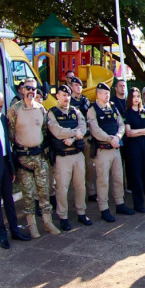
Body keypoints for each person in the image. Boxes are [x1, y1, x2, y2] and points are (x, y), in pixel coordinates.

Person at [6, 78, 60, 238]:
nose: (31, 91)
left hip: (39, 157)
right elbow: (10, 134)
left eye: (34, 89)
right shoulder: (15, 109)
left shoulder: (41, 109)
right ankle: (32, 226)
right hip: (24, 159)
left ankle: (48, 223)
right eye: (28, 88)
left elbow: (43, 130)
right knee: (28, 195)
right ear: (22, 90)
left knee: (44, 192)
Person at [0, 92, 32, 248]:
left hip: (5, 165)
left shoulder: (3, 119)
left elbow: (7, 147)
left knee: (9, 201)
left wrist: (12, 169)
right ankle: (2, 234)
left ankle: (15, 230)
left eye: (1, 106)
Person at [86, 82, 135, 222]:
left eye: (108, 93)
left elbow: (121, 123)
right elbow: (94, 129)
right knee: (103, 181)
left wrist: (118, 137)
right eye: (104, 93)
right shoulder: (93, 109)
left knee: (119, 178)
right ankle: (104, 208)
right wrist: (110, 139)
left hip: (115, 148)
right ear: (98, 94)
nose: (107, 95)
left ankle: (120, 203)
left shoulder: (112, 107)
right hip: (103, 150)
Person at [47, 85, 92, 230]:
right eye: (63, 95)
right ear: (57, 97)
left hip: (77, 155)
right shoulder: (52, 113)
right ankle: (63, 216)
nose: (66, 98)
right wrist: (74, 133)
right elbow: (57, 131)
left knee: (80, 186)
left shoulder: (76, 111)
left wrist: (72, 138)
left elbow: (83, 127)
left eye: (68, 95)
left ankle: (81, 212)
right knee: (62, 188)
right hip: (62, 157)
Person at [123, 87, 145, 212]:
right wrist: (143, 132)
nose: (136, 99)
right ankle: (138, 204)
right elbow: (128, 133)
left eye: (138, 96)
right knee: (136, 175)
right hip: (134, 147)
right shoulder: (127, 113)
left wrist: (137, 131)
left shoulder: (144, 112)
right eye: (134, 96)